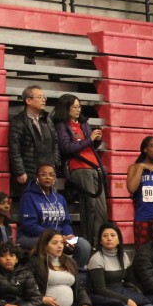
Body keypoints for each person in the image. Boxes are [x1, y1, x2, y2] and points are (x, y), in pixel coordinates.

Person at [52, 94, 107, 244]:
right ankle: (90, 242)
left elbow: (90, 146)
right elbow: (67, 148)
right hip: (78, 167)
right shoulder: (62, 125)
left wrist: (96, 140)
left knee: (101, 208)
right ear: (66, 108)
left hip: (94, 166)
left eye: (79, 106)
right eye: (74, 107)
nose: (78, 110)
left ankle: (101, 241)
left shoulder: (84, 123)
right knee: (90, 206)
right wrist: (89, 139)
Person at [17, 164, 91, 267]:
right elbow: (29, 225)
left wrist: (69, 235)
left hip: (60, 237)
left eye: (51, 175)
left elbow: (66, 222)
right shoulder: (28, 197)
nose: (48, 177)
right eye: (43, 174)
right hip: (33, 237)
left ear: (55, 178)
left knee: (84, 245)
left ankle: (74, 273)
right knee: (52, 244)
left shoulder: (60, 198)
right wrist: (54, 237)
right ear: (37, 177)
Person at [8, 86, 60, 194]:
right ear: (28, 101)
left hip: (48, 171)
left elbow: (55, 143)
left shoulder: (48, 119)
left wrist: (55, 162)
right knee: (30, 200)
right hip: (29, 172)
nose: (44, 100)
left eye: (44, 97)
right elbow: (15, 148)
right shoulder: (19, 121)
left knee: (49, 201)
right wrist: (20, 171)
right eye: (40, 97)